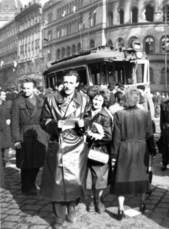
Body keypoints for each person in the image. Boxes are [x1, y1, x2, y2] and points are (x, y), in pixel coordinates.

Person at [39, 70, 91, 229]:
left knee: (75, 182)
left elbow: (88, 118)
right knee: (57, 184)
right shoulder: (51, 99)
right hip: (58, 146)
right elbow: (43, 120)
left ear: (77, 84)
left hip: (77, 147)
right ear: (62, 83)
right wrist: (55, 125)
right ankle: (59, 219)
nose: (68, 85)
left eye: (71, 82)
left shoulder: (84, 99)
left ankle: (72, 207)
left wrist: (85, 124)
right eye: (65, 82)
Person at [110, 87, 156, 220]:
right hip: (142, 148)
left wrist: (114, 154)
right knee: (142, 176)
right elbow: (150, 134)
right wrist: (152, 149)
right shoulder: (145, 114)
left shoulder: (119, 114)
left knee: (121, 178)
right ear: (137, 100)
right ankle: (142, 203)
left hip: (124, 148)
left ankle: (120, 209)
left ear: (125, 99)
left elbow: (116, 138)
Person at [11, 78, 48, 196]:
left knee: (38, 161)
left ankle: (32, 182)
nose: (26, 90)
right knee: (25, 162)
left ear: (34, 88)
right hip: (24, 134)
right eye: (24, 88)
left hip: (39, 134)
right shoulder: (18, 102)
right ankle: (26, 186)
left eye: (28, 88)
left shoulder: (41, 101)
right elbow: (15, 122)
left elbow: (45, 119)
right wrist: (16, 139)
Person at [84, 86, 112, 214]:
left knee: (100, 177)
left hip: (99, 150)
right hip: (84, 149)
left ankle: (99, 199)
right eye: (95, 99)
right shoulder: (85, 112)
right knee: (88, 176)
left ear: (104, 101)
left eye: (100, 100)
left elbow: (109, 136)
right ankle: (90, 200)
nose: (97, 102)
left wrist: (95, 136)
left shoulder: (105, 116)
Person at [0, 90, 12, 167]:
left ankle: (5, 160)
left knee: (7, 144)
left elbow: (8, 114)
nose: (5, 96)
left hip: (5, 128)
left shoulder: (6, 104)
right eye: (3, 95)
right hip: (1, 127)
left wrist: (8, 120)